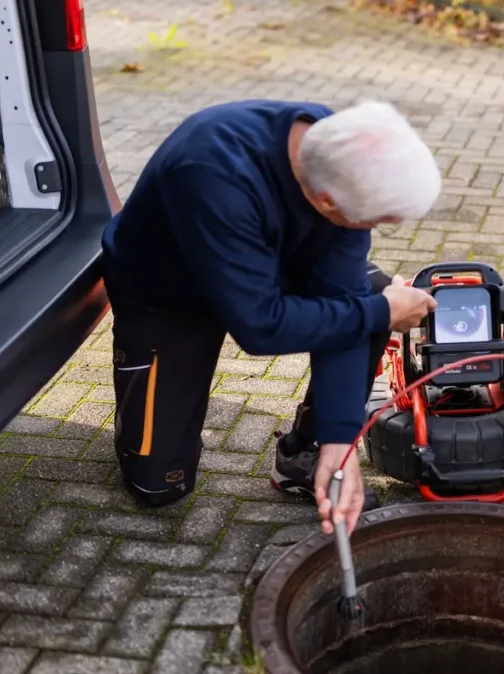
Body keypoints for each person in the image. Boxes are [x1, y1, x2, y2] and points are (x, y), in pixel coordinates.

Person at [100, 99, 440, 537]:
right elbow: (260, 326)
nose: (376, 228)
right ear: (326, 200)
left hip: (264, 265)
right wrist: (383, 312)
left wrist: (339, 442)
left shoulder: (335, 153)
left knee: (371, 296)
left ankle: (306, 452)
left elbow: (346, 301)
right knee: (158, 485)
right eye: (377, 220)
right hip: (169, 294)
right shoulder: (209, 167)